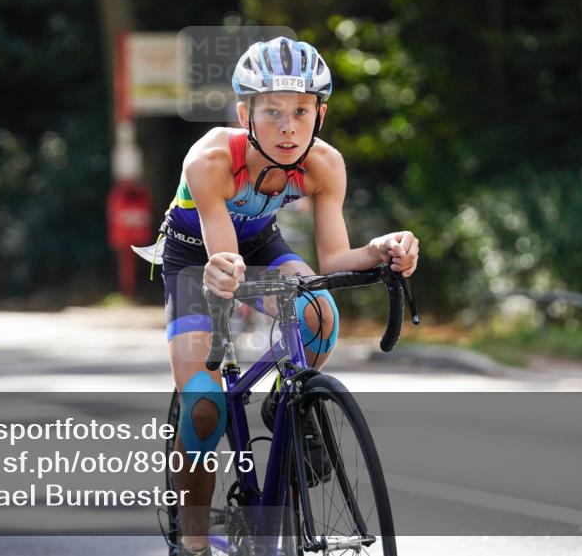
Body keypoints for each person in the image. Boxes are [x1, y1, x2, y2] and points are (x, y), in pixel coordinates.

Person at [134, 37, 419, 555]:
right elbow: (224, 261)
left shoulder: (325, 165)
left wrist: (381, 249)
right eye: (272, 112)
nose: (288, 126)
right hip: (197, 254)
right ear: (245, 113)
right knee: (204, 406)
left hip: (260, 243)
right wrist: (225, 281)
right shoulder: (211, 159)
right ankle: (193, 540)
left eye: (301, 111)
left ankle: (289, 400)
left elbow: (334, 260)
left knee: (320, 313)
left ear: (320, 114)